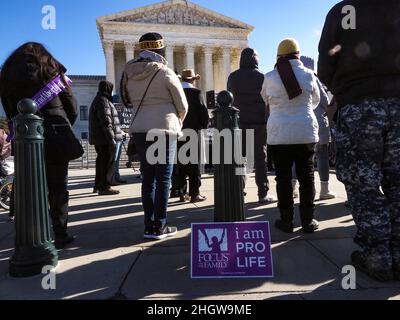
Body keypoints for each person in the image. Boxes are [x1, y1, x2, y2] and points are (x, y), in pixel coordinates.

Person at [318, 0, 400, 281]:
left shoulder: (343, 11)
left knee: (363, 184)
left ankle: (377, 256)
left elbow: (325, 63)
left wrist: (344, 86)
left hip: (359, 105)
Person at [0, 42, 77, 249]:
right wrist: (63, 125)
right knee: (58, 187)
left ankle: (33, 235)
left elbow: (9, 112)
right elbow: (72, 107)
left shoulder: (6, 76)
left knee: (30, 187)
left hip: (24, 138)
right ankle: (60, 233)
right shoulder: (52, 70)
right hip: (55, 134)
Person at [120, 33, 188, 240]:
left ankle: (148, 225)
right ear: (159, 50)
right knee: (163, 179)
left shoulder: (128, 73)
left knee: (147, 178)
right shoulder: (166, 72)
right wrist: (178, 121)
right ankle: (160, 225)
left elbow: (126, 101)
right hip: (164, 130)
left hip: (140, 129)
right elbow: (183, 105)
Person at [262, 38, 320, 234]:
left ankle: (286, 220)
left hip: (279, 133)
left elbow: (265, 99)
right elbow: (316, 101)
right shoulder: (310, 74)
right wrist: (300, 112)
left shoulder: (270, 76)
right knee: (307, 176)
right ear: (298, 54)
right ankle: (308, 220)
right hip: (305, 131)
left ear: (279, 56)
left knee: (283, 177)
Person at [227, 48, 277, 204]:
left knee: (240, 159)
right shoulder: (262, 76)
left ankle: (239, 190)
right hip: (259, 122)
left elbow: (229, 96)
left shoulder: (233, 77)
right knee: (260, 158)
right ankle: (263, 193)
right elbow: (269, 99)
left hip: (240, 122)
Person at [178, 69, 209, 203]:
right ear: (193, 80)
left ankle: (181, 192)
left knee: (180, 162)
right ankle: (195, 193)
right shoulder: (196, 93)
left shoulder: (176, 91)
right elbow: (203, 112)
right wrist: (204, 126)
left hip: (178, 130)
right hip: (194, 131)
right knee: (195, 163)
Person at [89, 81, 123, 196]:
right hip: (105, 139)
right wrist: (111, 139)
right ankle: (104, 187)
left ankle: (98, 185)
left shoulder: (100, 99)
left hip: (101, 138)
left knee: (101, 163)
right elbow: (106, 121)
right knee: (106, 164)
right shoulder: (103, 101)